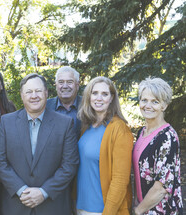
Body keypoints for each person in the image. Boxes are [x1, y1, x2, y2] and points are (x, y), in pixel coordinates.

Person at [0, 73, 79, 215]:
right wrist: (21, 190)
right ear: (22, 95)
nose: (34, 96)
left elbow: (70, 165)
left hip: (52, 206)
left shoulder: (64, 124)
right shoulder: (6, 122)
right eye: (29, 92)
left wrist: (43, 192)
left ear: (46, 93)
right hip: (16, 205)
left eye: (38, 91)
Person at [75, 76, 133, 215]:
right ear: (89, 96)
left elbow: (120, 180)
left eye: (104, 94)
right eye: (94, 93)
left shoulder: (120, 129)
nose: (99, 98)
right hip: (81, 207)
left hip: (102, 210)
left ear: (112, 98)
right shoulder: (86, 126)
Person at [133, 77, 183, 215]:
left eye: (155, 102)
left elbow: (161, 188)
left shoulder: (167, 137)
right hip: (144, 206)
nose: (147, 106)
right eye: (144, 100)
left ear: (164, 105)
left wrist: (138, 211)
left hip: (160, 210)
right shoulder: (141, 133)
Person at [46, 66, 82, 139]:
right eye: (61, 82)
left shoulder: (87, 105)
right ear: (56, 85)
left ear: (77, 85)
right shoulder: (45, 106)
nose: (65, 86)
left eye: (69, 82)